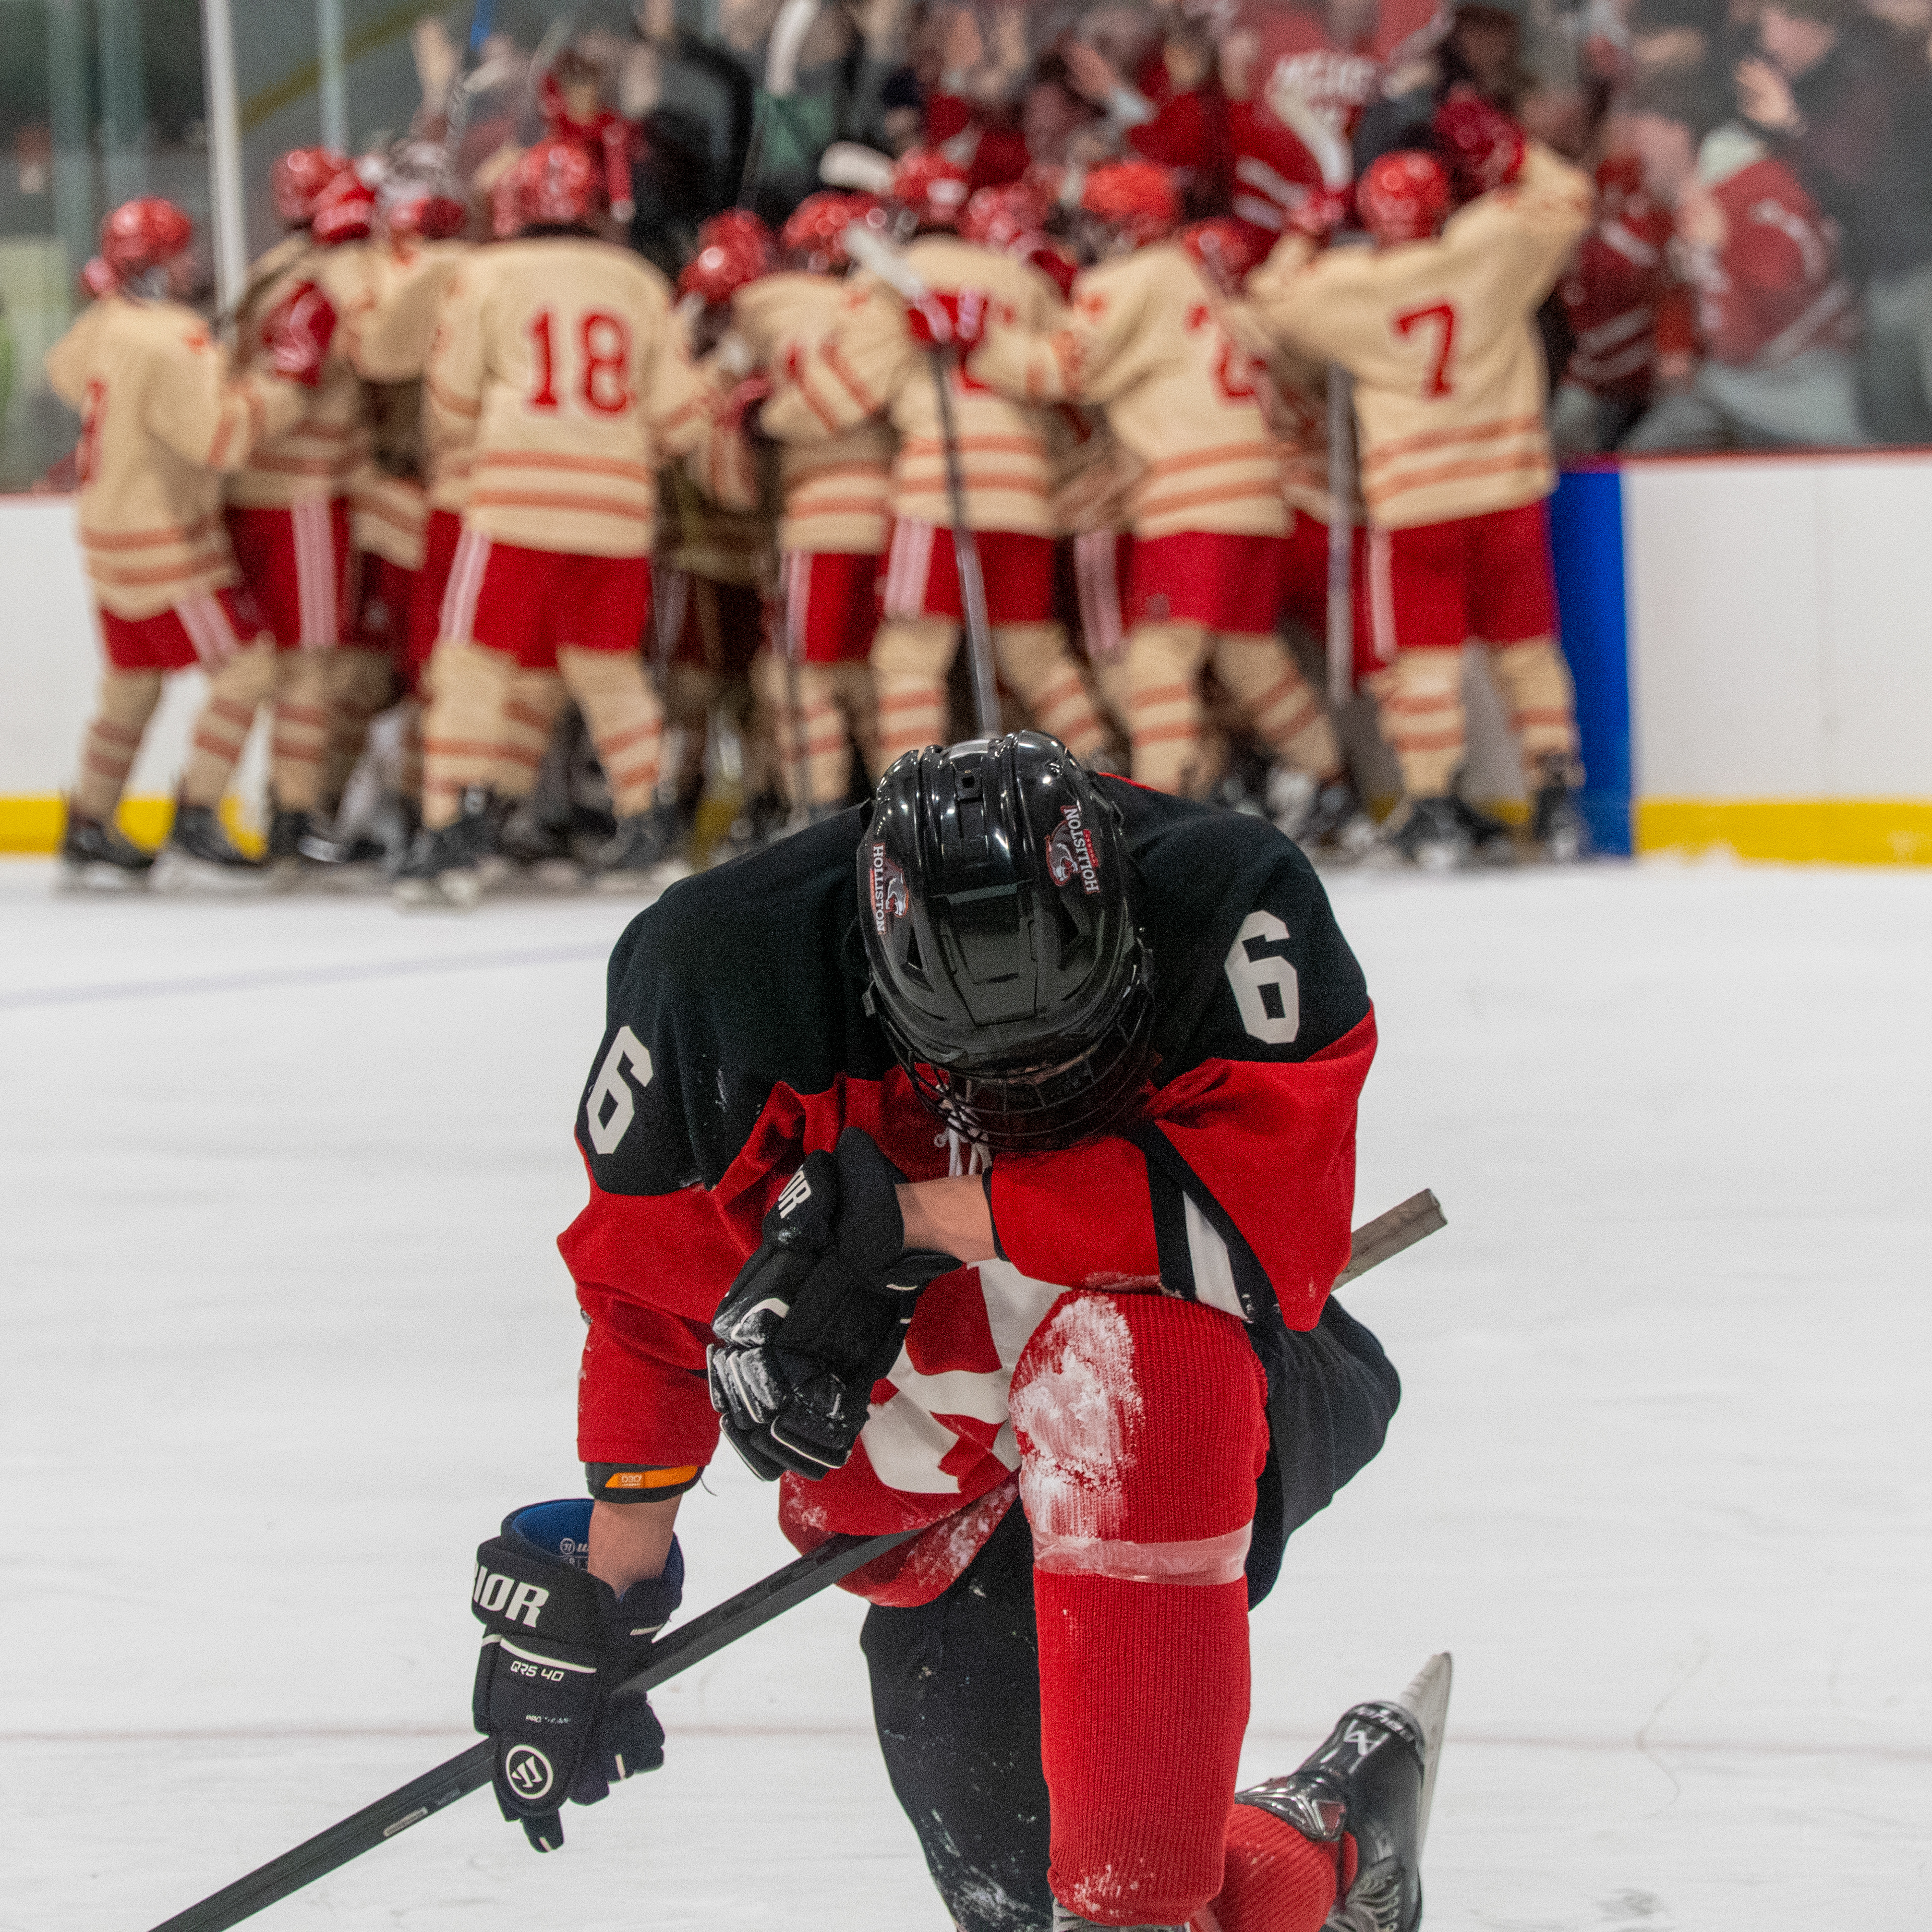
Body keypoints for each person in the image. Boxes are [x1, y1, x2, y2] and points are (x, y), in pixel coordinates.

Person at [466, 728, 1446, 1932]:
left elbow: (1276, 1236)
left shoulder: (1229, 902)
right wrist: (608, 1591)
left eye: (1066, 1055)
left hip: (1213, 1398)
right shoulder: (718, 971)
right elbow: (645, 1296)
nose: (1016, 1104)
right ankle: (1332, 1832)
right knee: (1026, 1900)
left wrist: (916, 1215)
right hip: (934, 1477)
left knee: (1131, 1370)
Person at [959, 164, 1368, 848]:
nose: (1090, 233)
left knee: (1157, 659)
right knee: (1249, 657)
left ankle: (1153, 816)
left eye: (1099, 220)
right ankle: (1328, 778)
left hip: (1191, 495)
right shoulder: (1185, 275)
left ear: (1128, 227)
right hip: (1253, 494)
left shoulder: (1133, 278)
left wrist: (977, 339)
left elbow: (1061, 370)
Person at [1246, 104, 1595, 866]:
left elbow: (1270, 304)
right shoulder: (1491, 243)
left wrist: (1305, 226)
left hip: (1416, 505)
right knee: (1528, 649)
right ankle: (1558, 794)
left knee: (1425, 662)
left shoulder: (1353, 284)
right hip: (1506, 490)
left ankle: (1432, 802)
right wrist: (1513, 149)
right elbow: (1569, 198)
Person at [400, 137, 723, 906]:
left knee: (473, 664)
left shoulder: (483, 274)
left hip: (513, 501)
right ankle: (648, 823)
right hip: (616, 508)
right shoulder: (641, 282)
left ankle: (454, 833)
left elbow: (448, 402)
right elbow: (682, 421)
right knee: (607, 671)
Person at [45, 198, 338, 888]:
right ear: (159, 265)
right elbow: (222, 438)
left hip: (108, 535)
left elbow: (65, 373)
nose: (194, 265)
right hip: (167, 543)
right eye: (182, 253)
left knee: (132, 686)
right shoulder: (173, 338)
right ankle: (199, 809)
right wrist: (288, 384)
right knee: (249, 668)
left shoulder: (108, 324)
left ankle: (89, 820)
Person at [783, 148, 1107, 766]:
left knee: (909, 656)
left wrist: (775, 418)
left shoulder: (887, 277)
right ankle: (1101, 774)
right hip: (1025, 493)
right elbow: (1066, 377)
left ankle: (910, 795)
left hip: (937, 485)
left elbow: (851, 388)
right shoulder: (1019, 280)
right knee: (1033, 652)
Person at [224, 149, 384, 872]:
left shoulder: (271, 271)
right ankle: (295, 813)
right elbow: (299, 377)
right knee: (311, 666)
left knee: (286, 663)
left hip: (259, 494)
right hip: (306, 496)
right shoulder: (321, 285)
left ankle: (286, 809)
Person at [1733, 0, 1932, 444]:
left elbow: (1858, 173)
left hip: (1915, 271)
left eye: (1774, 21)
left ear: (1801, 20)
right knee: (1896, 431)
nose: (1766, 42)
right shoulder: (1835, 75)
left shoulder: (1870, 66)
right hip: (1884, 274)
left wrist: (1790, 123)